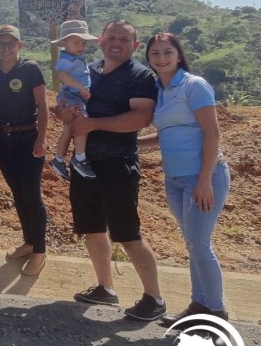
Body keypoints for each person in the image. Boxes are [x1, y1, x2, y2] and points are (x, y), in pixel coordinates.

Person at [59, 20, 166, 321]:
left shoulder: (140, 75)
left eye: (124, 39)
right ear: (101, 41)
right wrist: (64, 112)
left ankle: (154, 298)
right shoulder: (86, 70)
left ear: (134, 45)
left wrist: (92, 124)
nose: (116, 43)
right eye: (111, 37)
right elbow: (65, 107)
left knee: (128, 234)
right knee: (92, 230)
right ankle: (106, 288)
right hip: (84, 163)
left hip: (118, 164)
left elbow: (141, 117)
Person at [139, 32, 230, 327]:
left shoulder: (194, 85)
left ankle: (216, 314)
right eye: (155, 54)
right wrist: (135, 144)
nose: (161, 58)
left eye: (167, 52)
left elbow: (212, 133)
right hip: (175, 178)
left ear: (178, 55)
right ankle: (198, 306)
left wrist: (203, 181)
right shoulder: (161, 90)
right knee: (192, 244)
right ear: (149, 58)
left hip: (203, 177)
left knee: (200, 244)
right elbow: (168, 133)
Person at [0, 25, 49, 277]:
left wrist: (42, 139)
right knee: (17, 193)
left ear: (19, 46)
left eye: (11, 43)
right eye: (1, 44)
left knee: (32, 195)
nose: (6, 48)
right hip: (1, 137)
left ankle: (40, 252)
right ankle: (29, 242)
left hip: (27, 137)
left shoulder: (31, 69)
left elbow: (43, 106)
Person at [50, 20, 99, 180]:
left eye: (83, 43)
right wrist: (81, 87)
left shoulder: (75, 58)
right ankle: (80, 158)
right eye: (76, 42)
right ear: (64, 42)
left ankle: (58, 160)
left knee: (69, 129)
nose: (81, 46)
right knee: (82, 123)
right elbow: (62, 75)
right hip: (71, 95)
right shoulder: (66, 59)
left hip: (73, 95)